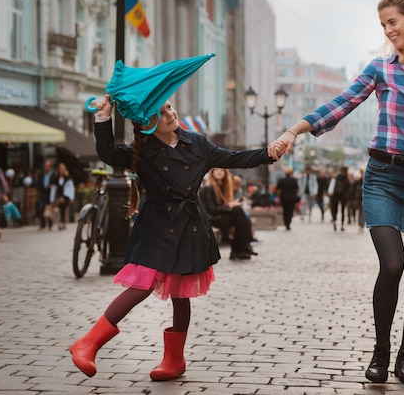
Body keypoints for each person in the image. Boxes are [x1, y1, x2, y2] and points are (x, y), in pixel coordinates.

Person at [274, 0, 404, 385]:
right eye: (383, 24)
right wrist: (295, 130)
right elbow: (342, 103)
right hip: (384, 176)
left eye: (393, 22)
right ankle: (380, 351)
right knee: (392, 264)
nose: (388, 30)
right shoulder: (381, 68)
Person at [69, 95, 285, 380]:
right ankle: (88, 343)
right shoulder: (143, 150)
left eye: (169, 107)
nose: (170, 113)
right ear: (148, 124)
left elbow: (234, 159)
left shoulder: (197, 143)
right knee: (143, 283)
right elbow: (109, 153)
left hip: (189, 226)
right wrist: (103, 117)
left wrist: (269, 153)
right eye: (161, 112)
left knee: (181, 293)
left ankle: (174, 360)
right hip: (156, 226)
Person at [200, 168, 257, 259]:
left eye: (222, 170)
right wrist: (229, 206)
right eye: (217, 170)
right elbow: (212, 209)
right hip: (210, 218)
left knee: (239, 215)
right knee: (238, 214)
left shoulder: (222, 187)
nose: (219, 172)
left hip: (218, 215)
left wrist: (230, 205)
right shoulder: (208, 187)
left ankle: (240, 249)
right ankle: (242, 247)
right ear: (212, 172)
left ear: (225, 173)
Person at [35, 160, 57, 230]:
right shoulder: (41, 174)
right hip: (42, 193)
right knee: (41, 208)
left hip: (49, 194)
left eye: (47, 166)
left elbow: (56, 185)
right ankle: (42, 224)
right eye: (45, 166)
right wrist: (39, 191)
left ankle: (50, 224)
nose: (46, 168)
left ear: (50, 167)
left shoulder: (53, 175)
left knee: (49, 209)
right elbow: (38, 183)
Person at [276, 166, 299, 231]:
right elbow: (296, 189)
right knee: (290, 211)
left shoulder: (281, 180)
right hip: (292, 198)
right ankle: (288, 224)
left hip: (284, 198)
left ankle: (286, 223)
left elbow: (278, 189)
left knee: (285, 211)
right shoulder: (294, 180)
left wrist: (278, 196)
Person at [328, 165, 350, 231]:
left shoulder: (336, 177)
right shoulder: (346, 178)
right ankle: (342, 225)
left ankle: (334, 221)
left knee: (335, 209)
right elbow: (348, 189)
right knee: (343, 210)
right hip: (343, 196)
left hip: (335, 195)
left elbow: (331, 186)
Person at [56, 162, 75, 230]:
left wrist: (71, 197)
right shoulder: (56, 178)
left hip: (66, 195)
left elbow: (71, 187)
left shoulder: (68, 178)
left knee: (63, 209)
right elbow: (54, 188)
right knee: (61, 209)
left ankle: (62, 222)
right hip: (59, 195)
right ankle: (62, 222)